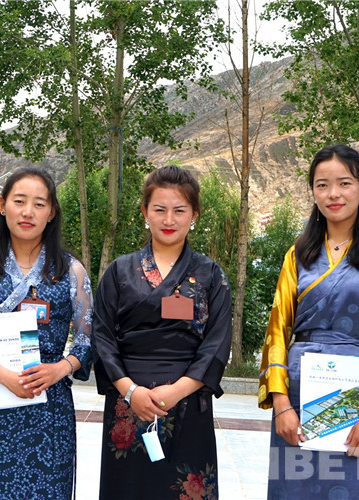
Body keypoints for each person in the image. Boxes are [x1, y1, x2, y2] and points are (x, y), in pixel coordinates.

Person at [258, 144, 359, 498]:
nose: (333, 194)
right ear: (313, 192)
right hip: (299, 402)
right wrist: (281, 405)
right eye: (322, 185)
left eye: (344, 183)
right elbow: (277, 332)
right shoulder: (298, 255)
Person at [92, 165, 232, 500]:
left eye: (179, 210)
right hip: (129, 403)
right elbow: (102, 335)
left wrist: (178, 391)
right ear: (145, 213)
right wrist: (131, 391)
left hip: (188, 402)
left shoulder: (211, 274)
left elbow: (217, 342)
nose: (169, 220)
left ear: (194, 215)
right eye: (159, 209)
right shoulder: (119, 271)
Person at [0, 167, 93, 499]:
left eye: (39, 204)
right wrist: (4, 376)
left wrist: (60, 368)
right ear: (2, 206)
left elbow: (88, 339)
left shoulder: (71, 271)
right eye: (19, 201)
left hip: (49, 408)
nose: (28, 212)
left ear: (51, 213)